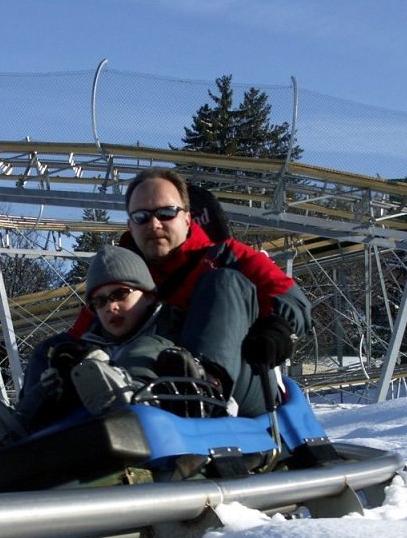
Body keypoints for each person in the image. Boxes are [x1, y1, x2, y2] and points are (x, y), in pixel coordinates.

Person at [114, 168, 313, 417]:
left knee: (222, 281)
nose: (154, 224)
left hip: (240, 383)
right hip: (154, 387)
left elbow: (292, 299)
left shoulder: (227, 256)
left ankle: (205, 386)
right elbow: (84, 332)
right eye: (142, 216)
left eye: (166, 214)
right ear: (130, 225)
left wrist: (277, 328)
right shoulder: (120, 280)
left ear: (187, 218)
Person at [0, 245, 209, 449]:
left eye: (120, 294)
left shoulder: (169, 325)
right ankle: (20, 427)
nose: (110, 307)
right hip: (90, 419)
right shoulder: (90, 341)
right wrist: (55, 382)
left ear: (147, 294)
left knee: (146, 346)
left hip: (161, 407)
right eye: (99, 301)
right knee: (57, 358)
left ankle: (131, 395)